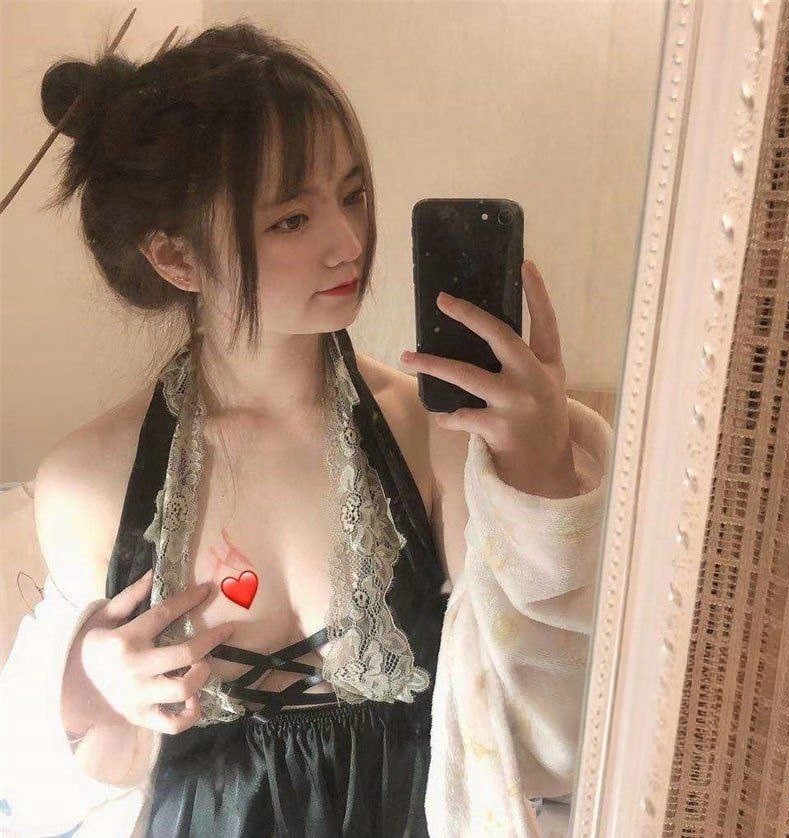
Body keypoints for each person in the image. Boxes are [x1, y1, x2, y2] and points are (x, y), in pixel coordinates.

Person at [22, 20, 451, 836]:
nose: (349, 243)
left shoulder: (427, 428)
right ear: (177, 259)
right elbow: (54, 779)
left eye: (353, 195)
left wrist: (543, 460)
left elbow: (531, 698)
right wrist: (89, 679)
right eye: (291, 219)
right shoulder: (89, 481)